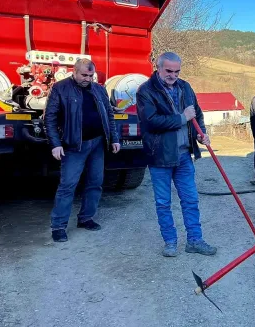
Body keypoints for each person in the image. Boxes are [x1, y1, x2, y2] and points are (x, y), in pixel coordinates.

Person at [136, 52, 216, 257]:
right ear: (158, 67)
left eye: (177, 71)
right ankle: (170, 242)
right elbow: (151, 121)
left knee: (190, 199)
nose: (173, 75)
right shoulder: (146, 91)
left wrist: (201, 134)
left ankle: (195, 240)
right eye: (169, 71)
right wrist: (182, 118)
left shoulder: (185, 87)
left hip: (183, 155)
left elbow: (196, 113)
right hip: (159, 156)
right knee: (163, 203)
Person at [45, 58, 120, 242]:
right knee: (67, 186)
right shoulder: (60, 88)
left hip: (97, 144)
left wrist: (114, 138)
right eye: (84, 75)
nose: (87, 78)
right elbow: (50, 118)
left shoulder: (99, 89)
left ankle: (86, 218)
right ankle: (58, 226)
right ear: (75, 72)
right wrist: (55, 144)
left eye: (90, 75)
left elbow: (109, 115)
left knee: (95, 182)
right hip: (73, 146)